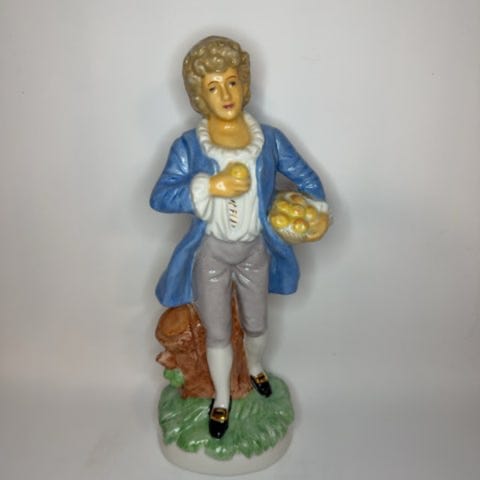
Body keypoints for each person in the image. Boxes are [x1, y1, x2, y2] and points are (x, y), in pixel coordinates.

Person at [150, 36, 328, 439]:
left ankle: (256, 367)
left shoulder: (269, 140)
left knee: (257, 322)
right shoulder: (189, 146)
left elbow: (306, 178)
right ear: (199, 95)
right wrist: (210, 185)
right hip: (211, 251)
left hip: (254, 249)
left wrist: (316, 212)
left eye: (231, 82)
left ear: (244, 83)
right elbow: (161, 196)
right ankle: (221, 398)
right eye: (213, 87)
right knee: (216, 330)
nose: (226, 94)